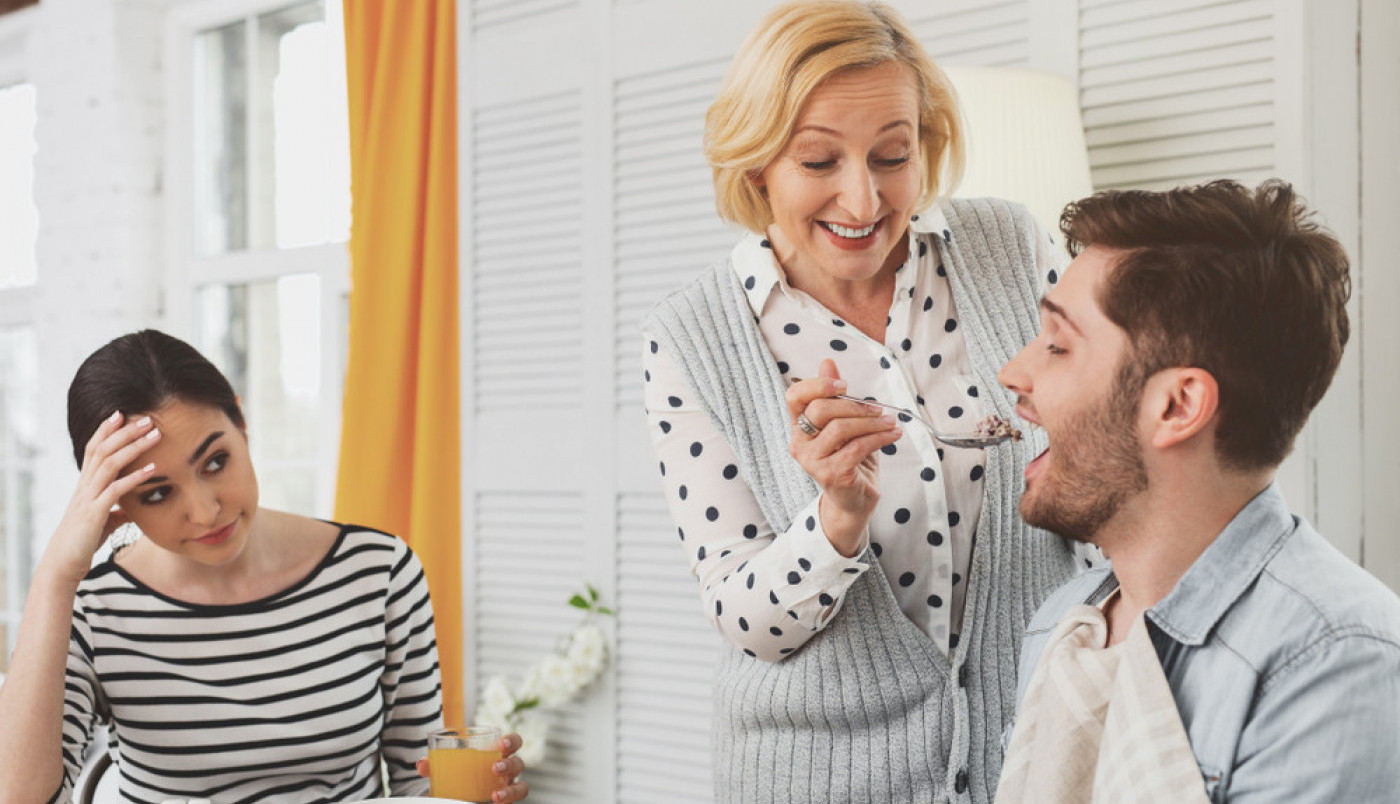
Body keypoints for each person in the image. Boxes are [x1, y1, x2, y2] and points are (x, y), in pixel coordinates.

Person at [640, 1, 1093, 800]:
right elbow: (749, 622)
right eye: (819, 162)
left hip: (1031, 758)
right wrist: (835, 518)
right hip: (818, 778)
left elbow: (1101, 462)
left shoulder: (1009, 249)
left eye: (893, 154)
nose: (863, 200)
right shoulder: (693, 335)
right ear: (757, 166)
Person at [996, 180, 1400, 802]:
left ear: (1177, 405)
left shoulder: (1336, 664)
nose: (1013, 372)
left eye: (1057, 345)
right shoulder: (1064, 626)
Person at [0, 329, 529, 803]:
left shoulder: (380, 574)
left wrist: (474, 797)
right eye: (157, 493)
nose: (206, 511)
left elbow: (418, 786)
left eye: (216, 461)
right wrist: (56, 576)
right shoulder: (93, 612)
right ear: (114, 503)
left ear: (242, 425)